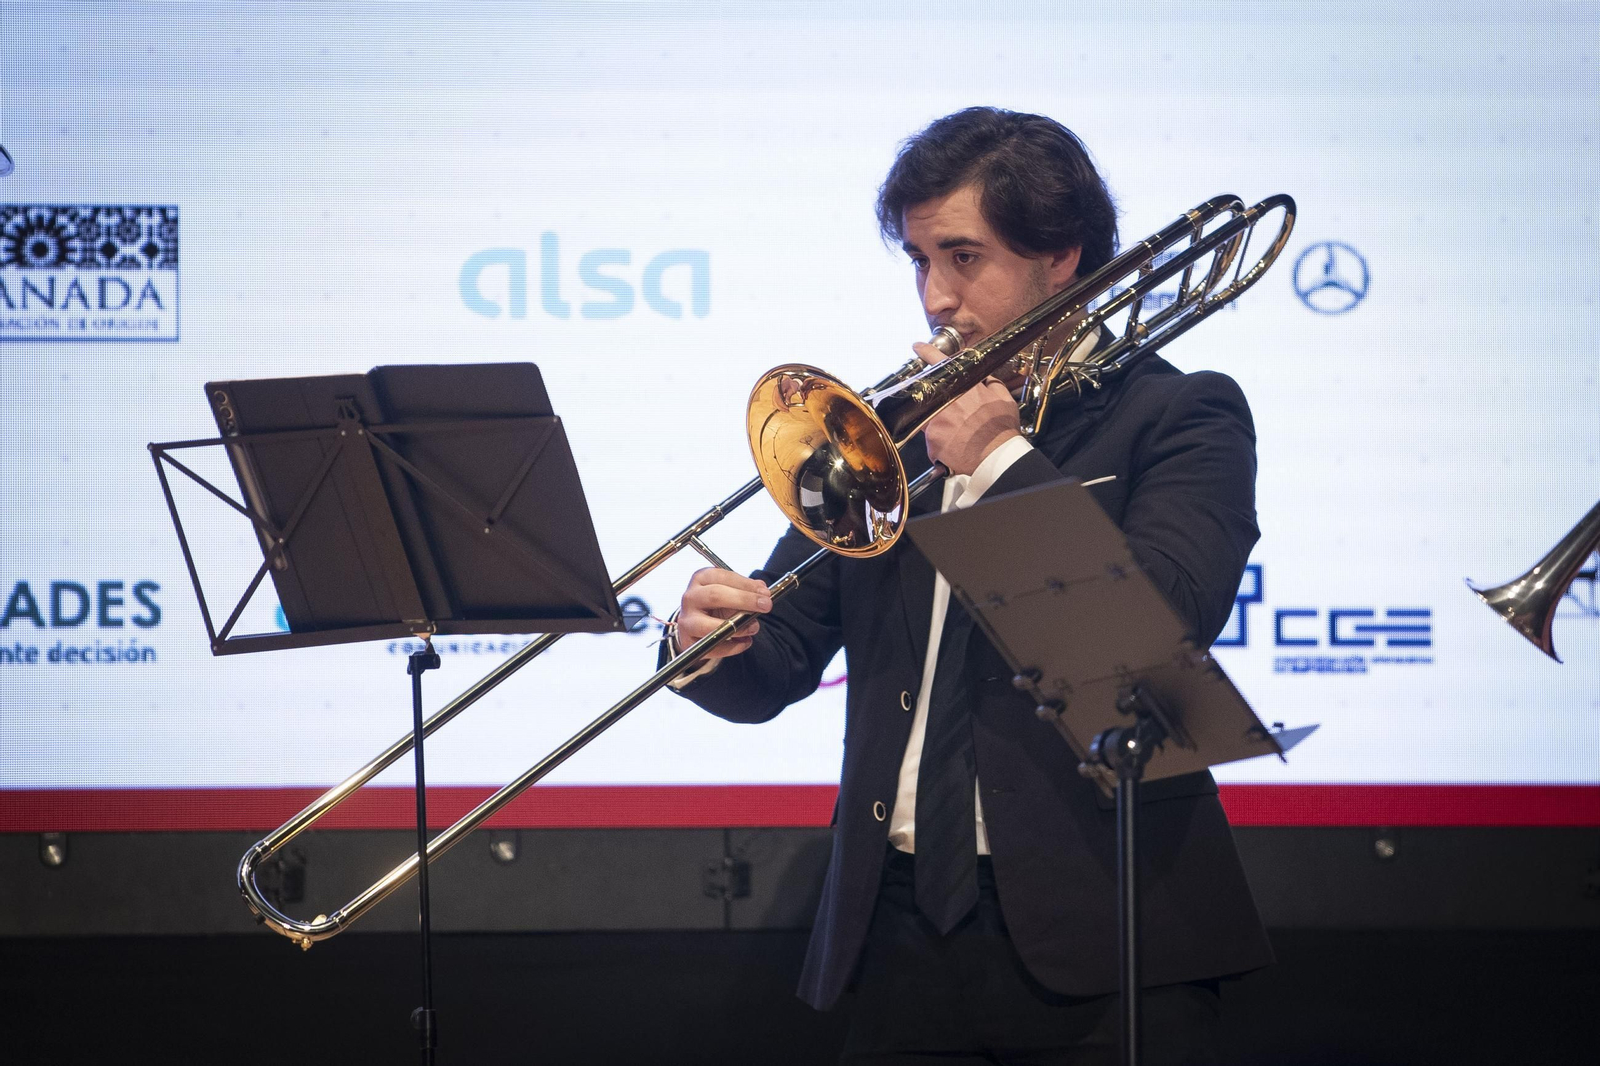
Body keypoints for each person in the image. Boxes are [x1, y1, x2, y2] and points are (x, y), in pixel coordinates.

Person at [664, 107, 1271, 1065]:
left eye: (962, 257)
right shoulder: (892, 433)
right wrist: (708, 640)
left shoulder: (1181, 415)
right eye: (918, 261)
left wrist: (998, 459)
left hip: (1108, 928)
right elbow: (775, 664)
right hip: (895, 926)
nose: (935, 298)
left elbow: (1160, 634)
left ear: (1060, 253)